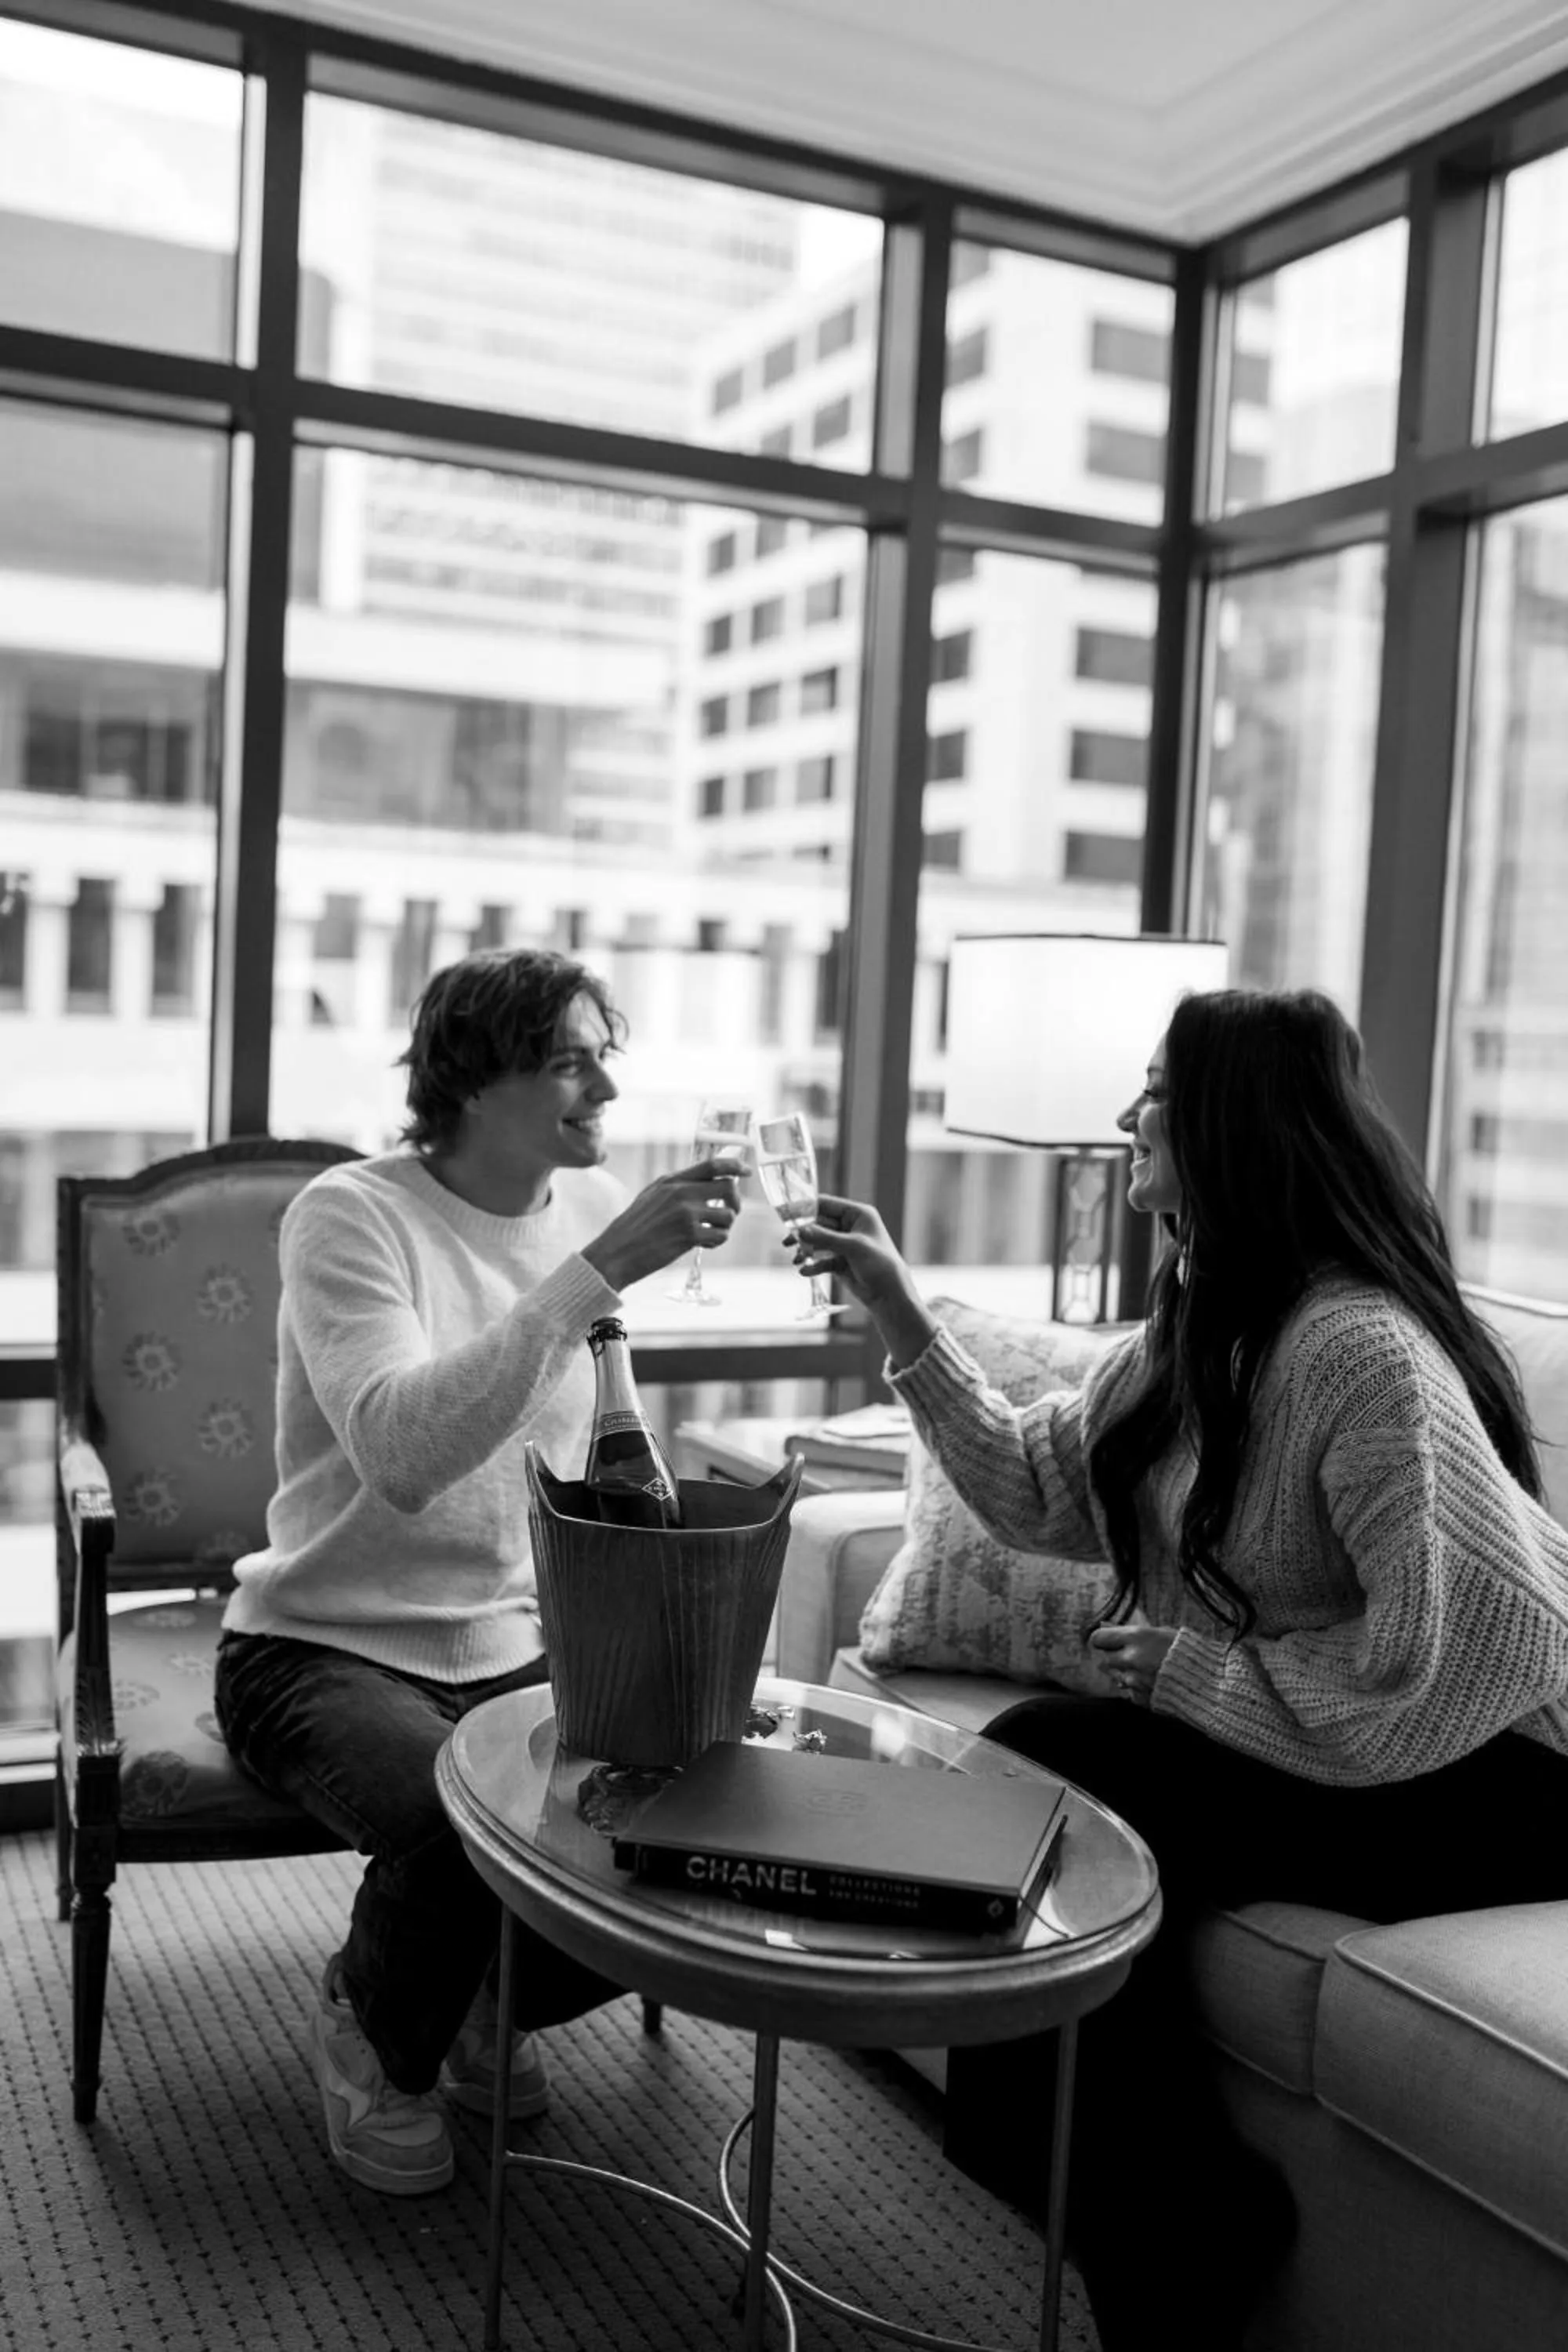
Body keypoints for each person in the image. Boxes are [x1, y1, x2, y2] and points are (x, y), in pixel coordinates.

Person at [792, 985, 1568, 2351]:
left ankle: (1163, 2235)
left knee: (1055, 1761)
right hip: (1388, 1737)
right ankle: (1165, 2218)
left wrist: (1201, 1680)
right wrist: (901, 1309)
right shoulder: (1207, 1318)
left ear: (1227, 1121)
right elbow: (1042, 1488)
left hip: (1508, 1778)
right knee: (1058, 1781)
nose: (1126, 1117)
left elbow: (1474, 1654)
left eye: (1154, 1092)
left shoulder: (1358, 1349)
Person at [216, 946, 742, 2197]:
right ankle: (375, 2028)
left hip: (517, 1641)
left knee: (691, 1803)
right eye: (569, 1061)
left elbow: (590, 1452)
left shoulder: (572, 1230)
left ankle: (461, 1991)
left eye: (602, 1058)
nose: (604, 1090)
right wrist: (595, 1275)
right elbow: (406, 1456)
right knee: (461, 1828)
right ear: (470, 1078)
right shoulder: (353, 1214)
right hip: (321, 1643)